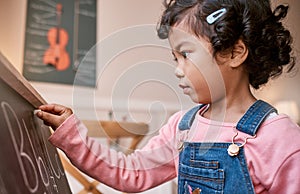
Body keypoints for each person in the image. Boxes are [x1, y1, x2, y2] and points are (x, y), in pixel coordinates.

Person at [36, 0, 300, 193]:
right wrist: (73, 136)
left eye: (185, 54)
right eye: (174, 58)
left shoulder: (280, 139)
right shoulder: (181, 128)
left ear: (234, 52)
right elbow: (131, 172)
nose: (177, 69)